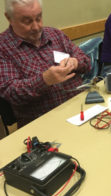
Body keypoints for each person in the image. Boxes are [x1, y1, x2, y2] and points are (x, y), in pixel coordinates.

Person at [0, 0, 90, 128]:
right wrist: (44, 80)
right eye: (27, 21)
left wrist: (75, 62)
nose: (36, 27)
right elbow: (11, 93)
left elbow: (86, 62)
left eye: (39, 18)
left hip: (81, 109)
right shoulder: (3, 48)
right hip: (44, 124)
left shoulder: (55, 34)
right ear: (9, 18)